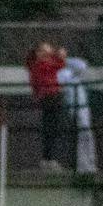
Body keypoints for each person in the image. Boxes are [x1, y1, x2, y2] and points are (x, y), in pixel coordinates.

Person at [25, 42, 68, 171]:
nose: (49, 54)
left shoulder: (37, 65)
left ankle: (48, 158)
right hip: (50, 98)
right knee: (51, 128)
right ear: (39, 53)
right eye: (45, 52)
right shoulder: (40, 65)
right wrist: (60, 56)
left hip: (49, 98)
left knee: (51, 128)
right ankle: (49, 159)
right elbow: (59, 64)